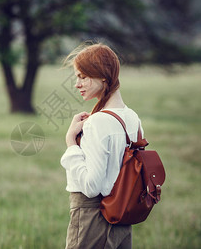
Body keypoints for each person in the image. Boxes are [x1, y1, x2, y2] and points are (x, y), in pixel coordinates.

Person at [61, 42, 144, 249]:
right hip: (122, 217)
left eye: (82, 77)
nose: (76, 84)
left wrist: (71, 143)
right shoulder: (132, 118)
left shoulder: (98, 122)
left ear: (102, 76)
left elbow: (91, 187)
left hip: (92, 216)